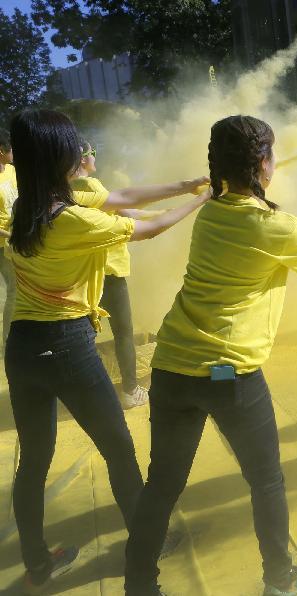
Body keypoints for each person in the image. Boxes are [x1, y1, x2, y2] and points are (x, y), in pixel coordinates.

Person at [123, 115, 297, 596]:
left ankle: (139, 586)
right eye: (272, 156)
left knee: (162, 484)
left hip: (172, 367)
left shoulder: (214, 211)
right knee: (266, 481)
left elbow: (285, 236)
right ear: (262, 163)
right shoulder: (269, 223)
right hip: (229, 374)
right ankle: (279, 579)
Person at [5, 109, 207, 595]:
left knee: (33, 459)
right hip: (66, 346)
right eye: (76, 146)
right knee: (118, 447)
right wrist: (202, 199)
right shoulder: (70, 219)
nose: (83, 152)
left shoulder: (25, 208)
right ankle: (147, 546)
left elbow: (123, 197)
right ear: (60, 157)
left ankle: (37, 560)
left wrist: (186, 183)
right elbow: (151, 226)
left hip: (22, 346)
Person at [72, 138, 200, 408]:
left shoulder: (69, 188)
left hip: (87, 270)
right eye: (93, 152)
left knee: (86, 332)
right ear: (82, 159)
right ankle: (130, 390)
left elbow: (129, 210)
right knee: (123, 332)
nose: (96, 157)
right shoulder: (90, 185)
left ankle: (85, 392)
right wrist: (190, 200)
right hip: (109, 270)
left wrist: (167, 211)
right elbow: (129, 209)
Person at [0, 129, 17, 353]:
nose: (14, 152)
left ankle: (11, 338)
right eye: (10, 149)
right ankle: (9, 341)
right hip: (3, 242)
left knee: (17, 289)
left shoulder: (12, 171)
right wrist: (8, 235)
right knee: (14, 289)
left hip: (15, 239)